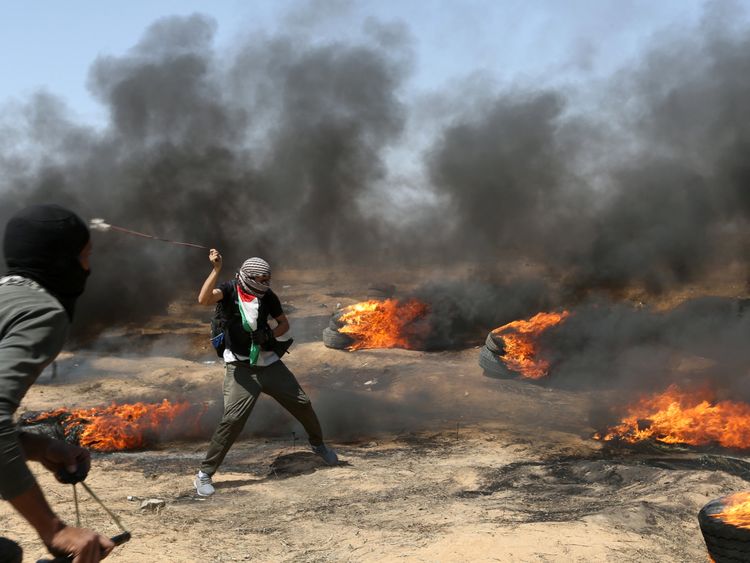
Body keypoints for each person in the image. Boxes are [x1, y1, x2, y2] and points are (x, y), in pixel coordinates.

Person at [0, 204, 114, 562]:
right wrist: (54, 529)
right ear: (62, 261)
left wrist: (38, 448)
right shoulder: (41, 312)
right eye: (85, 256)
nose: (89, 268)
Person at [193, 249, 338, 496]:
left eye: (267, 280)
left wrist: (270, 335)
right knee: (233, 419)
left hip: (268, 363)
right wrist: (216, 269)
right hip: (240, 366)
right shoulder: (229, 290)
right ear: (249, 277)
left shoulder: (268, 297)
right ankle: (204, 474)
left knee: (302, 403)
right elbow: (204, 299)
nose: (266, 284)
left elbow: (284, 324)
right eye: (261, 280)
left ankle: (317, 445)